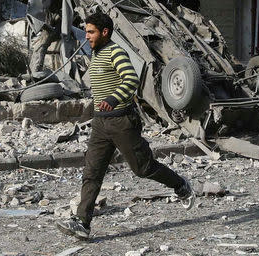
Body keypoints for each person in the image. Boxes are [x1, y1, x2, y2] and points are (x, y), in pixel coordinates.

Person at [56, 12, 195, 240]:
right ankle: (82, 223)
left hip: (122, 121)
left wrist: (112, 99)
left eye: (91, 32)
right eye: (86, 31)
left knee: (143, 168)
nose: (87, 36)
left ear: (105, 32)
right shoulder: (96, 53)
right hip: (101, 124)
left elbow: (131, 79)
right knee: (92, 172)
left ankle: (180, 185)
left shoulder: (115, 52)